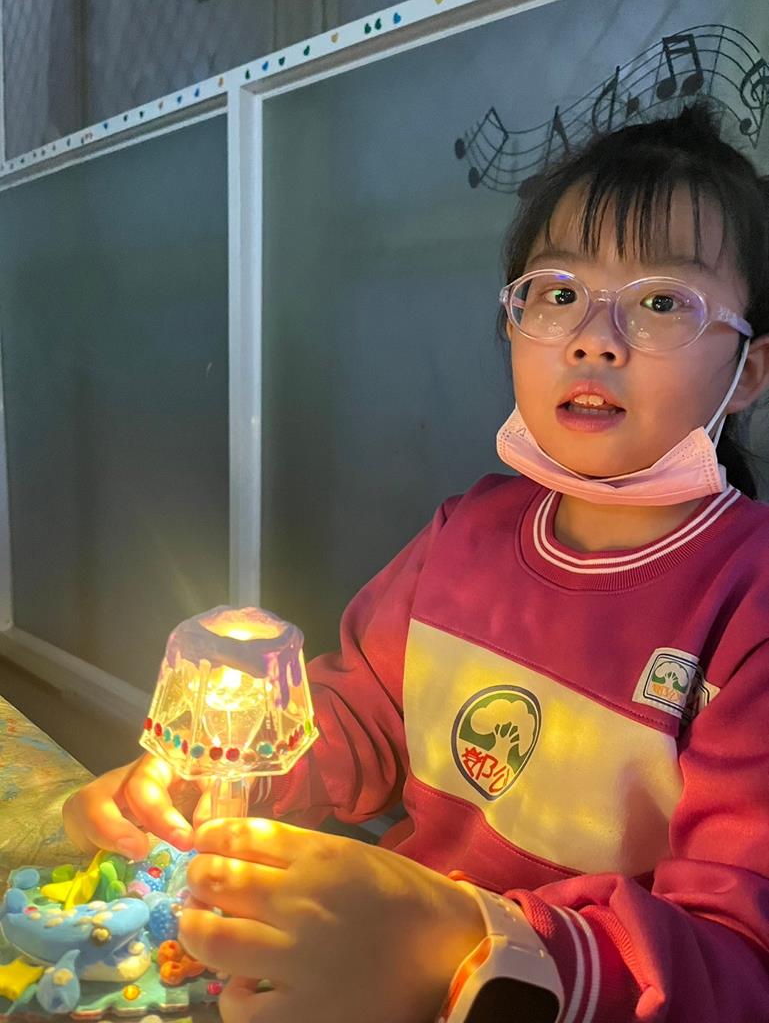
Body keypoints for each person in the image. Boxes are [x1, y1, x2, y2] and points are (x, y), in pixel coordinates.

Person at [62, 101, 769, 1022]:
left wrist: (461, 949)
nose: (594, 337)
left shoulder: (746, 606)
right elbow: (360, 721)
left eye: (662, 302)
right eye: (557, 293)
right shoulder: (466, 534)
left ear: (749, 371)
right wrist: (219, 778)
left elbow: (736, 958)